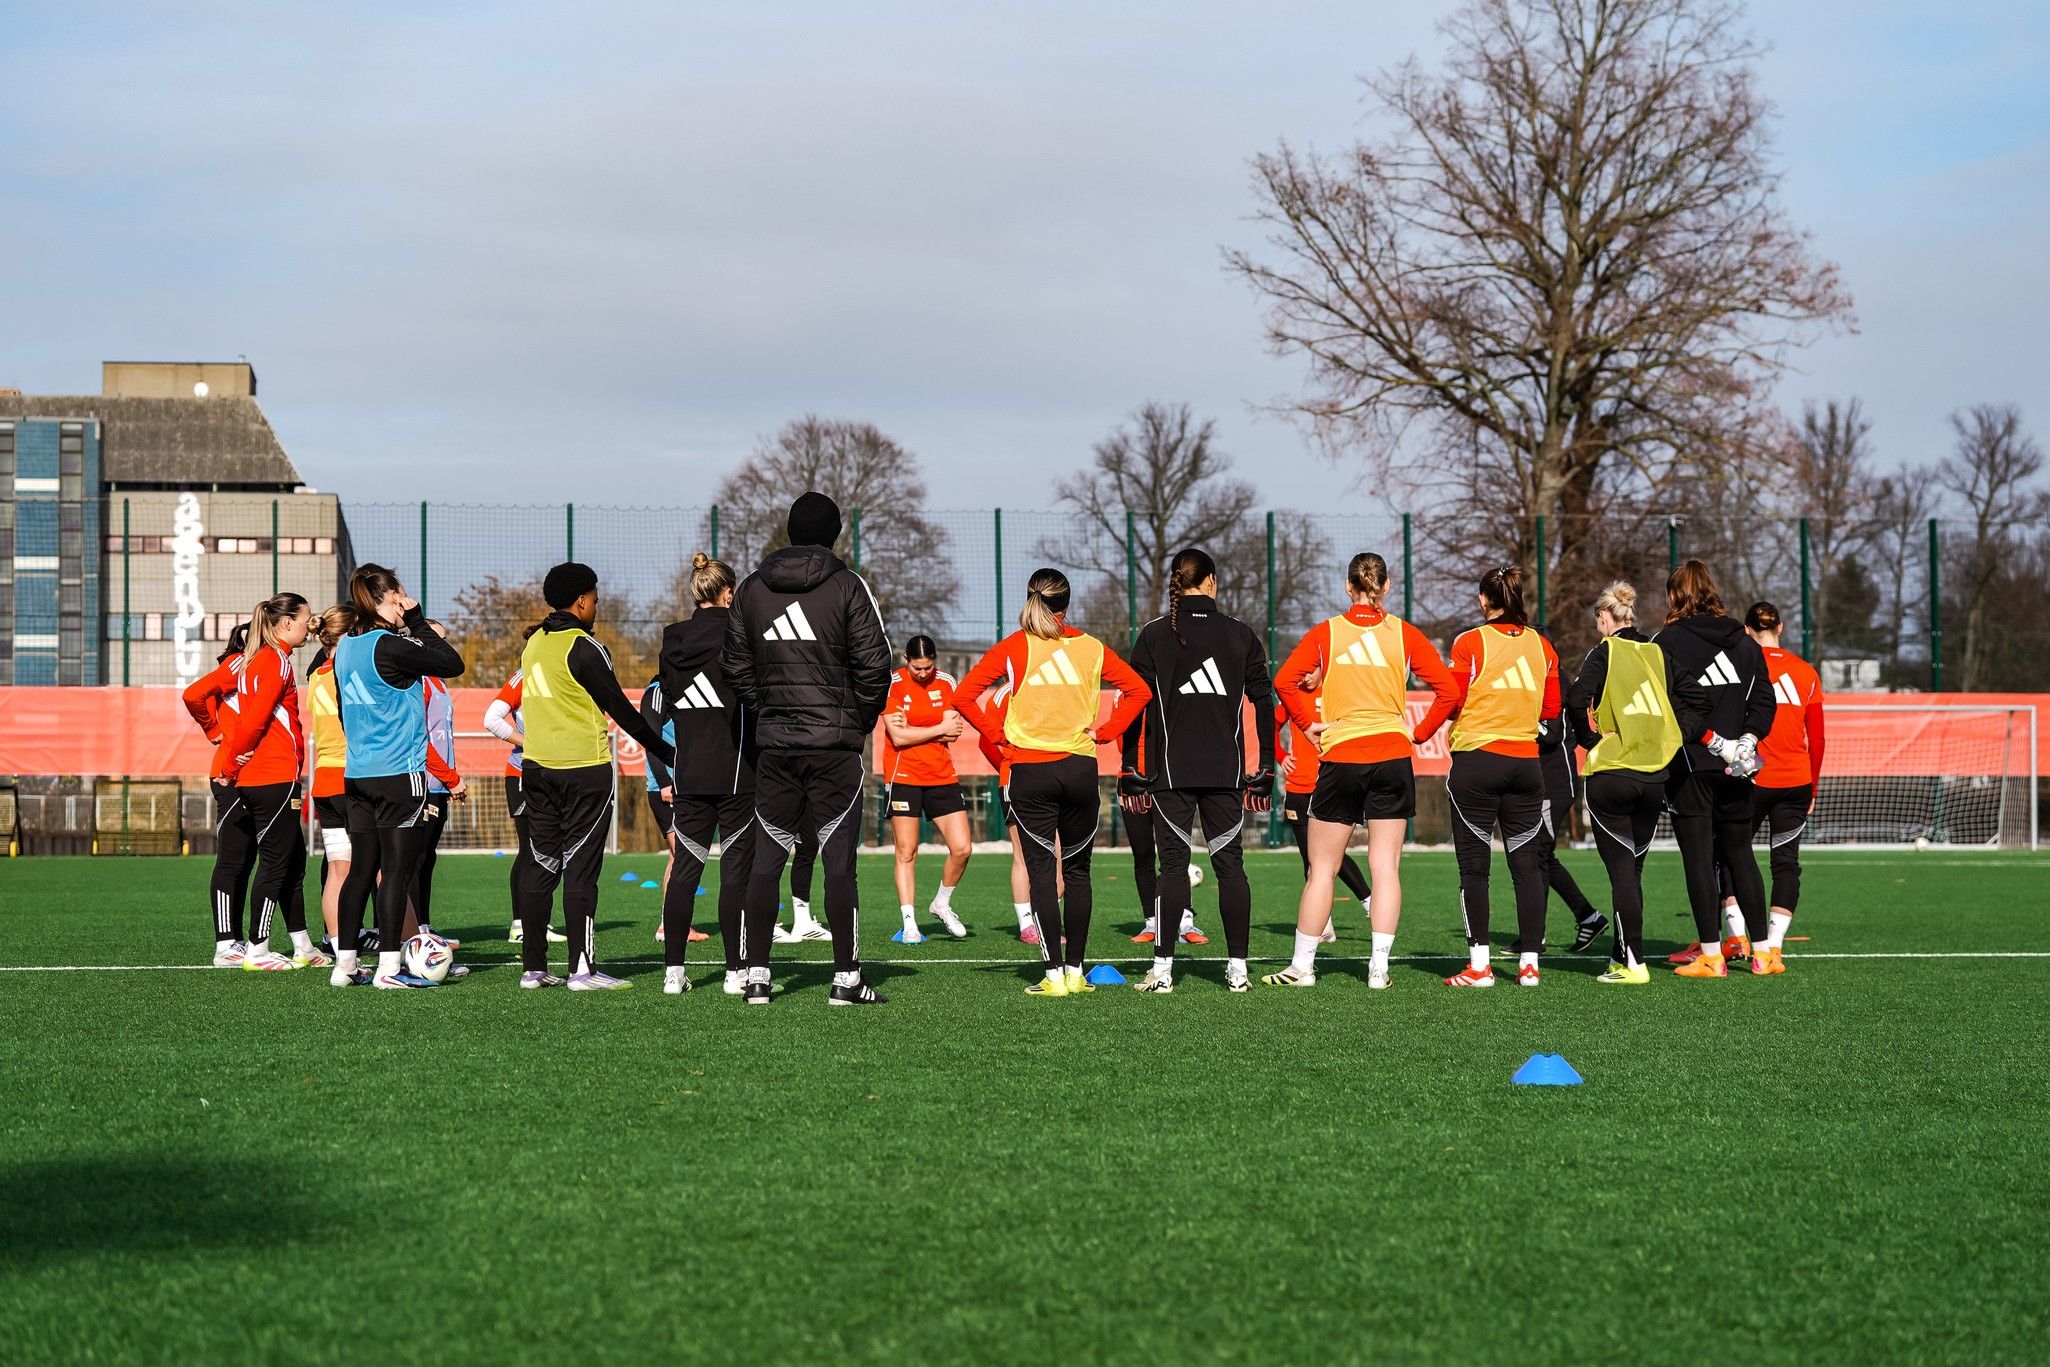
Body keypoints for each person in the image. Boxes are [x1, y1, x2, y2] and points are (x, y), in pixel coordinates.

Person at [723, 493, 893, 1006]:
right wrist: (856, 722)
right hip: (834, 748)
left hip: (775, 747)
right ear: (836, 534)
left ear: (790, 531)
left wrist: (770, 712)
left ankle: (757, 978)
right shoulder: (847, 585)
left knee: (767, 859)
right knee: (838, 864)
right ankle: (847, 980)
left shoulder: (751, 589)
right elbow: (875, 666)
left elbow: (735, 666)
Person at [1267, 552, 1457, 989]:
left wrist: (1307, 724)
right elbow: (1448, 691)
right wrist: (1419, 733)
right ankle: (1378, 970)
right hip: (1392, 756)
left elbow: (1283, 681)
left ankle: (1302, 967)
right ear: (1386, 586)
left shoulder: (1327, 632)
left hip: (1343, 757)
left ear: (1348, 587)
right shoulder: (1405, 634)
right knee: (1385, 867)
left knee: (1322, 868)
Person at [956, 567, 1150, 996]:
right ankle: (1077, 973)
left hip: (1030, 771)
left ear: (1030, 598)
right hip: (1080, 770)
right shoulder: (1093, 648)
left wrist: (997, 736)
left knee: (1042, 875)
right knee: (1078, 873)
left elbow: (963, 696)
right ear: (1067, 603)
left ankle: (1054, 976)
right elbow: (1140, 691)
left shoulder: (1014, 646)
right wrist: (1107, 731)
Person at [514, 562, 675, 991]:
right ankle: (582, 970)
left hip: (536, 768)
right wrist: (667, 752)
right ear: (582, 601)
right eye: (596, 601)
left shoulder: (533, 645)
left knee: (541, 865)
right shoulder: (585, 647)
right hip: (583, 770)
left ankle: (533, 968)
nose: (597, 608)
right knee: (581, 869)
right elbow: (622, 710)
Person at [1126, 548, 1276, 994]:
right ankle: (1238, 972)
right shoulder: (1241, 634)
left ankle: (1163, 972)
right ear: (1211, 581)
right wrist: (1267, 766)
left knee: (1172, 868)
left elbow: (1134, 705)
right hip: (1225, 772)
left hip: (1169, 773)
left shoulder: (1154, 634)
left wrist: (1131, 766)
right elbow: (1264, 701)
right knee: (1231, 868)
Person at [1416, 565, 1562, 988]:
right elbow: (1552, 709)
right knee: (1527, 867)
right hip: (1526, 765)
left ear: (1484, 600)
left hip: (1477, 763)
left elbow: (1452, 698)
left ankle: (1480, 966)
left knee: (1474, 869)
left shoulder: (1470, 641)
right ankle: (1529, 965)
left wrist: (1420, 733)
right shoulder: (1542, 646)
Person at [331, 564, 467, 989]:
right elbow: (452, 663)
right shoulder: (390, 645)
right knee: (395, 873)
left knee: (360, 872)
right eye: (401, 595)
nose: (405, 602)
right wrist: (417, 620)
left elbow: (343, 711)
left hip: (358, 774)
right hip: (398, 774)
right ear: (387, 598)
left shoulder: (344, 649)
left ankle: (345, 966)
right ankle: (389, 969)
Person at [1566, 582, 1709, 984]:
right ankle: (1621, 956)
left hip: (1614, 773)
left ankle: (1634, 963)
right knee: (1632, 871)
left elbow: (1576, 699)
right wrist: (1672, 736)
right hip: (1654, 776)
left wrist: (1590, 740)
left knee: (1621, 873)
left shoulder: (1605, 651)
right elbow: (1699, 700)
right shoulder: (1657, 652)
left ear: (1604, 617)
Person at [1652, 559, 1774, 979]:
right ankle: (1764, 954)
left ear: (1675, 595)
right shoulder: (1745, 641)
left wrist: (1712, 741)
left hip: (1691, 764)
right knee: (1741, 855)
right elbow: (1764, 702)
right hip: (1738, 766)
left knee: (1699, 860)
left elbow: (1669, 707)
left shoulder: (1665, 642)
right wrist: (1748, 741)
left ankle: (1711, 955)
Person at [656, 552, 760, 996]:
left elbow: (661, 702)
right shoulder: (740, 635)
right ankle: (736, 972)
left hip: (690, 772)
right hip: (738, 772)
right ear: (728, 593)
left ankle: (673, 973)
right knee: (735, 875)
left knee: (684, 872)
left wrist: (671, 756)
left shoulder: (672, 640)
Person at [1703, 601, 1823, 977]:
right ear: (1781, 628)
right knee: (1785, 864)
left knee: (1729, 855)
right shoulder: (1806, 671)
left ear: (1747, 630)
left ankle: (1738, 938)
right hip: (1797, 780)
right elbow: (1817, 737)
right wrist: (1813, 786)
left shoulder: (1743, 665)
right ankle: (1772, 949)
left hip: (1752, 779)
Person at [222, 592, 324, 972]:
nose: (309, 626)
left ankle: (303, 945)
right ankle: (258, 950)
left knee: (293, 861)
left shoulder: (263, 659)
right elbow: (253, 720)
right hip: (273, 776)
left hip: (268, 775)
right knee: (276, 864)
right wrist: (231, 764)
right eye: (305, 619)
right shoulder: (274, 660)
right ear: (286, 623)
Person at [881, 635, 971, 942]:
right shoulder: (892, 684)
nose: (923, 673)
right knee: (907, 851)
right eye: (917, 668)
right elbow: (897, 737)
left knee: (962, 848)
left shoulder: (946, 682)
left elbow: (953, 732)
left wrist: (915, 730)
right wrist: (937, 729)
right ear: (906, 660)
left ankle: (941, 903)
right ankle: (909, 923)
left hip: (942, 775)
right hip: (903, 775)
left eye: (928, 667)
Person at [1530, 624, 1610, 955]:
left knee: (1535, 855)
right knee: (1539, 855)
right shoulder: (1541, 679)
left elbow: (1550, 733)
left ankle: (1536, 936)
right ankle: (1586, 917)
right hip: (1544, 782)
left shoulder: (1556, 681)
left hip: (1556, 783)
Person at [1275, 672, 1372, 940]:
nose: (1305, 676)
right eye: (1301, 671)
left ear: (1322, 667)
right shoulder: (1292, 694)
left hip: (1331, 784)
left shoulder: (1337, 689)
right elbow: (1269, 725)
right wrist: (1280, 755)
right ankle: (1323, 925)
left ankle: (1369, 901)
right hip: (1298, 788)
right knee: (1310, 858)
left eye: (1310, 670)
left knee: (1330, 854)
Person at [181, 624, 255, 965]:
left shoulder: (258, 666)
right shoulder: (238, 664)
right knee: (232, 860)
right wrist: (212, 729)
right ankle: (225, 943)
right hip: (230, 776)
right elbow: (193, 694)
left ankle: (235, 940)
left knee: (246, 861)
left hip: (249, 774)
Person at [483, 649, 567, 946]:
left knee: (548, 849)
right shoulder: (524, 675)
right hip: (522, 774)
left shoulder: (560, 674)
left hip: (552, 775)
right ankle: (521, 924)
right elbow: (491, 719)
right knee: (530, 849)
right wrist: (529, 743)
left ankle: (537, 921)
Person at [409, 623, 468, 948]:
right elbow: (420, 740)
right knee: (415, 859)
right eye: (437, 640)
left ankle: (423, 925)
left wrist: (450, 779)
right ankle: (411, 930)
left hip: (439, 785)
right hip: (424, 783)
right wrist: (449, 777)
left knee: (427, 858)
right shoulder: (418, 682)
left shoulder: (439, 682)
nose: (444, 646)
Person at [637, 672, 705, 946]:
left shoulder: (687, 689)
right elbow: (650, 740)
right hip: (666, 789)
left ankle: (671, 924)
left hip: (685, 786)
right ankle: (672, 926)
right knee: (682, 856)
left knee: (677, 857)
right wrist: (665, 782)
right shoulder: (657, 692)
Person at [305, 606, 356, 954]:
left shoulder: (315, 676)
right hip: (352, 776)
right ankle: (408, 945)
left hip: (324, 778)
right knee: (385, 869)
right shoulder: (350, 672)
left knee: (338, 870)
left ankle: (340, 950)